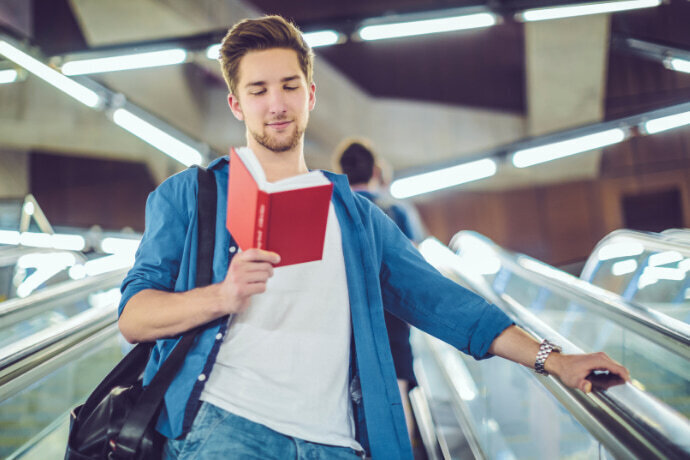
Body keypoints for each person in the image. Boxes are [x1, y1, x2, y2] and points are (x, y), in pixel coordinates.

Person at [117, 15, 630, 460]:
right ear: (236, 104)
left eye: (290, 86)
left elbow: (443, 302)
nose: (277, 103)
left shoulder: (356, 218)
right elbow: (135, 316)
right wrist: (222, 296)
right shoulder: (192, 195)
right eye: (258, 90)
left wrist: (554, 359)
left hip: (337, 441)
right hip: (228, 430)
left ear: (311, 94)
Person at [335, 139, 420, 444]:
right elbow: (414, 265)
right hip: (392, 313)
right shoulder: (395, 210)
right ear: (374, 169)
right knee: (396, 394)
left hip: (345, 312)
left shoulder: (334, 209)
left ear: (341, 172)